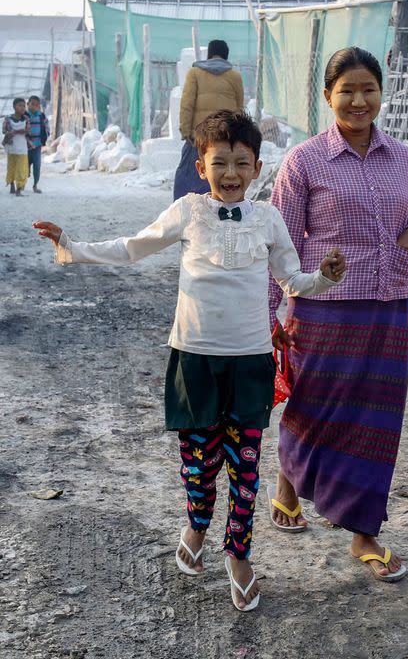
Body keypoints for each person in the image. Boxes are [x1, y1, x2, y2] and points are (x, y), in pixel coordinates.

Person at [33, 109, 346, 612]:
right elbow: (134, 247)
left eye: (241, 162)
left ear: (257, 167)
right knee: (200, 467)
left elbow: (293, 282)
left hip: (250, 365)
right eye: (219, 162)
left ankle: (238, 555)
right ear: (201, 167)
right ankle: (198, 526)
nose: (230, 173)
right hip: (195, 361)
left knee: (246, 471)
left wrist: (325, 276)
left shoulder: (269, 218)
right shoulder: (188, 210)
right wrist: (72, 246)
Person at [268, 47, 408, 583]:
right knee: (313, 407)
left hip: (389, 308)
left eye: (369, 90)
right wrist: (272, 312)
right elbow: (283, 245)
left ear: (381, 93)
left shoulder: (405, 159)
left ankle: (364, 531)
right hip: (322, 310)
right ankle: (289, 482)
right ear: (327, 97)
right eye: (348, 91)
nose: (359, 101)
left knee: (375, 422)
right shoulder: (304, 162)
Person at [173, 40, 244, 201]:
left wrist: (186, 131)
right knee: (220, 173)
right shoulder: (235, 76)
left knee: (189, 175)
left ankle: (184, 210)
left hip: (199, 137)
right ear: (226, 55)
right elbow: (239, 109)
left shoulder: (195, 73)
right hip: (226, 137)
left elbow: (187, 104)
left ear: (209, 54)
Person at [3, 97, 32, 196]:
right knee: (11, 167)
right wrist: (11, 133)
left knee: (22, 168)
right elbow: (4, 131)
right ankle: (12, 186)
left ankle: (18, 189)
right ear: (14, 107)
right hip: (11, 147)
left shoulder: (26, 119)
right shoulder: (8, 119)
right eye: (20, 105)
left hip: (22, 147)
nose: (22, 108)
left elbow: (28, 131)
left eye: (24, 106)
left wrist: (15, 132)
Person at [26, 95, 49, 194]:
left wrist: (45, 137)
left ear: (39, 106)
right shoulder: (25, 115)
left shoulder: (41, 115)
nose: (34, 106)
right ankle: (21, 184)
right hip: (26, 147)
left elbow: (47, 127)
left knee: (37, 167)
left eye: (37, 105)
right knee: (24, 167)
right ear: (28, 104)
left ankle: (35, 185)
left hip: (37, 146)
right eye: (32, 104)